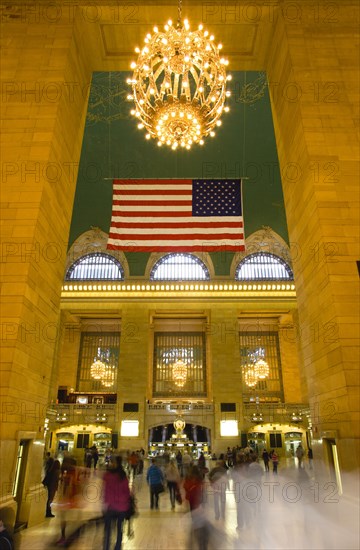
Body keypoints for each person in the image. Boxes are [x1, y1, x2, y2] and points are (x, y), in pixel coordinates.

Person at [103, 455, 131, 550]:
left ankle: (106, 547)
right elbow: (127, 492)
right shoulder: (123, 476)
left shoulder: (107, 476)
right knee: (119, 529)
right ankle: (118, 547)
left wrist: (104, 503)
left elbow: (104, 491)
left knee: (108, 530)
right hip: (122, 507)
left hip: (110, 507)